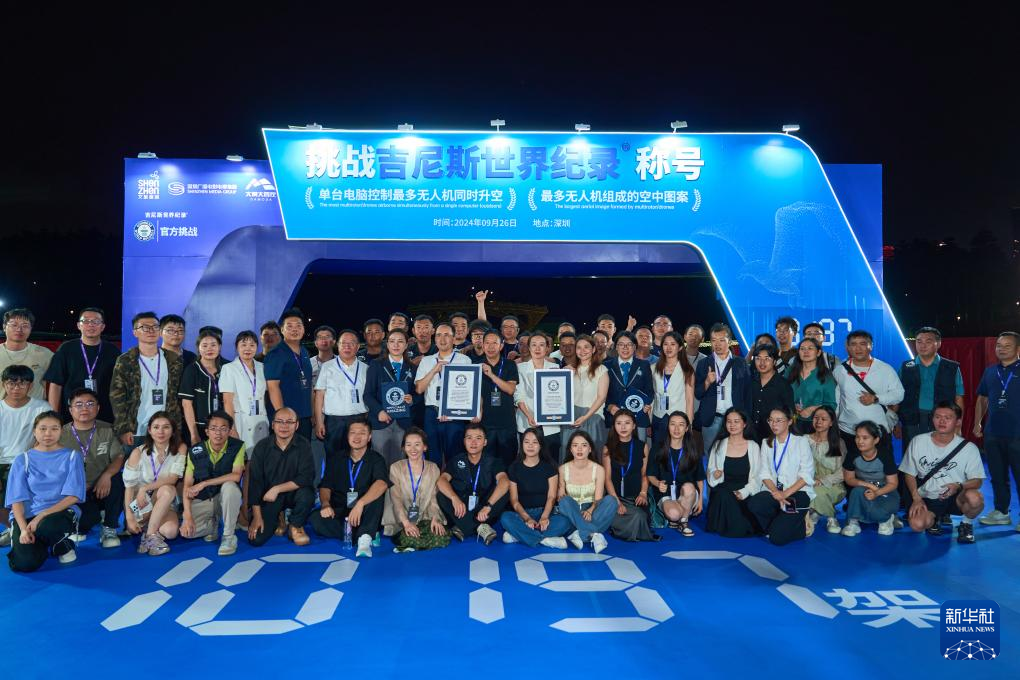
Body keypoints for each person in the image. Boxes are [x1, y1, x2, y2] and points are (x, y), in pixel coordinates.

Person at [5, 411, 85, 571]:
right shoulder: (22, 459)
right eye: (43, 428)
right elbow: (16, 500)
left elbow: (73, 496)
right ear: (34, 431)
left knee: (47, 527)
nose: (48, 433)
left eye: (54, 428)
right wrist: (23, 529)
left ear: (61, 431)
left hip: (59, 513)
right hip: (27, 517)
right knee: (25, 564)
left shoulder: (72, 456)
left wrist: (41, 516)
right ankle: (46, 545)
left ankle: (62, 546)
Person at [903, 402, 986, 543]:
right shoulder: (918, 441)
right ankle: (935, 518)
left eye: (948, 418)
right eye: (938, 417)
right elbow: (909, 473)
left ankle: (966, 524)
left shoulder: (969, 448)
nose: (942, 421)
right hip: (928, 496)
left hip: (956, 496)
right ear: (932, 419)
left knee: (975, 498)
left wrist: (958, 486)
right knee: (917, 524)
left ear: (958, 422)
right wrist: (916, 498)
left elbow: (977, 481)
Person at [311, 419, 390, 557]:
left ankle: (364, 539)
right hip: (341, 510)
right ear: (347, 436)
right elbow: (325, 486)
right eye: (353, 432)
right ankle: (364, 533)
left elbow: (382, 484)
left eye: (362, 433)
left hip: (364, 511)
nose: (357, 437)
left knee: (376, 499)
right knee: (316, 519)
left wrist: (360, 504)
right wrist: (325, 504)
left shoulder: (376, 459)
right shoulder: (336, 458)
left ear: (369, 437)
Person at [110, 312, 184, 457]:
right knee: (133, 468)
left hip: (166, 430)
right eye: (145, 327)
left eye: (155, 327)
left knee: (165, 469)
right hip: (136, 430)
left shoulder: (173, 360)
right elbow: (117, 395)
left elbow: (178, 395)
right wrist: (124, 428)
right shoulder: (126, 360)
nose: (151, 330)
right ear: (135, 332)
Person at [58, 388, 123, 548]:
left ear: (98, 408)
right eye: (79, 404)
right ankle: (90, 518)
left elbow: (118, 457)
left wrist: (106, 475)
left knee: (118, 479)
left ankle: (109, 527)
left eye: (90, 404)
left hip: (101, 487)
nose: (84, 408)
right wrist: (77, 485)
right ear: (70, 410)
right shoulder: (60, 433)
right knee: (86, 522)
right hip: (74, 491)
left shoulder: (108, 429)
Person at [219, 330, 270, 529]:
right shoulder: (229, 369)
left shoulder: (262, 367)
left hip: (261, 422)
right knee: (244, 469)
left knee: (257, 470)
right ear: (236, 348)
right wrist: (231, 427)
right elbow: (227, 401)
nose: (247, 348)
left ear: (257, 347)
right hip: (240, 422)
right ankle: (241, 512)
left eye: (251, 345)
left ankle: (251, 509)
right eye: (243, 344)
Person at [247, 407, 315, 547]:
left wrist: (277, 488)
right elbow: (255, 483)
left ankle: (295, 525)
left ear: (297, 425)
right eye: (279, 421)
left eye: (289, 422)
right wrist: (257, 516)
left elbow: (306, 477)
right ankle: (280, 517)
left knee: (307, 494)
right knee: (256, 539)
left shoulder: (304, 445)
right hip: (269, 498)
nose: (284, 426)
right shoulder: (262, 447)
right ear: (273, 425)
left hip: (293, 494)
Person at [0, 365, 52, 546]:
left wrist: (30, 459)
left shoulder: (42, 408)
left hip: (30, 461)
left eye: (22, 383)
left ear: (30, 386)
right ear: (4, 384)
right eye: (11, 383)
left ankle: (23, 527)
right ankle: (13, 527)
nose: (16, 388)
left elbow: (46, 439)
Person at [747, 408, 815, 545]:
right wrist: (776, 493)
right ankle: (780, 523)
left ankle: (802, 526)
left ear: (789, 421)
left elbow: (806, 474)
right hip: (775, 492)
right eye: (771, 420)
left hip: (796, 493)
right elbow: (764, 473)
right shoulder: (766, 442)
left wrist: (785, 494)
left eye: (778, 420)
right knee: (754, 504)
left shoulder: (801, 441)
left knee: (777, 539)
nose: (774, 424)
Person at [180, 411, 245, 556]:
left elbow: (236, 476)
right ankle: (212, 525)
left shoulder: (237, 446)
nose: (218, 433)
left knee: (230, 487)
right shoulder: (194, 451)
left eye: (223, 428)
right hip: (204, 500)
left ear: (229, 431)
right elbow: (187, 486)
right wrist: (187, 516)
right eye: (214, 428)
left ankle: (228, 536)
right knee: (187, 532)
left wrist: (204, 483)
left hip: (224, 499)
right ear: (207, 431)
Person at [122, 411, 187, 556]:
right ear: (149, 430)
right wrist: (129, 518)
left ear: (173, 430)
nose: (161, 432)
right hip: (140, 504)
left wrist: (145, 488)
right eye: (156, 427)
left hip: (164, 502)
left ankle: (149, 535)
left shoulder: (180, 448)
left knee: (170, 532)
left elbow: (173, 479)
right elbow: (129, 488)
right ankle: (151, 534)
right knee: (168, 490)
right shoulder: (138, 453)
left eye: (166, 427)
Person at [973, 330, 1020, 527]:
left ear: (1018, 349)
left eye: (1007, 346)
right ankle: (1001, 512)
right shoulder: (990, 371)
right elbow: (982, 399)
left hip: (1017, 434)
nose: (1001, 349)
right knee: (998, 477)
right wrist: (977, 423)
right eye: (999, 345)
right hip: (993, 433)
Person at [833, 330, 904, 458]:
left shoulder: (885, 369)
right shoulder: (840, 370)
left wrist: (876, 398)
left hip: (877, 432)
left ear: (871, 346)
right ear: (848, 347)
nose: (858, 348)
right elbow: (837, 400)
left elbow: (899, 394)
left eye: (863, 344)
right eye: (853, 344)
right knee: (849, 468)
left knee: (882, 467)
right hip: (848, 431)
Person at [45, 307, 120, 424]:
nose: (91, 325)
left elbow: (119, 386)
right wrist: (53, 415)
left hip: (105, 415)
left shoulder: (113, 351)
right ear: (78, 325)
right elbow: (56, 384)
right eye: (85, 321)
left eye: (96, 321)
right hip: (72, 415)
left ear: (103, 327)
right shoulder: (66, 349)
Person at [437, 423, 509, 544]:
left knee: (504, 492)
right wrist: (454, 498)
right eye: (469, 438)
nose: (473, 442)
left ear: (485, 442)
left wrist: (488, 506)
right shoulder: (457, 460)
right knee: (441, 495)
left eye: (478, 438)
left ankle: (463, 527)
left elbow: (504, 481)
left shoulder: (493, 461)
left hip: (483, 510)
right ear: (464, 441)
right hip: (461, 509)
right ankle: (480, 527)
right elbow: (442, 480)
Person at [897, 326, 965, 450]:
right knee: (912, 455)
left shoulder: (951, 367)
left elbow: (958, 398)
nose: (922, 345)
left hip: (942, 420)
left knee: (940, 455)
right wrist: (896, 422)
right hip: (911, 420)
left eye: (928, 341)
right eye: (919, 341)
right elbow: (897, 396)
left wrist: (958, 424)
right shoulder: (906, 367)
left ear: (938, 343)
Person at [501, 428, 570, 548]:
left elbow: (552, 497)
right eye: (526, 442)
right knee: (505, 518)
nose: (530, 445)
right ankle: (545, 539)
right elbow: (514, 500)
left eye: (535, 442)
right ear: (522, 444)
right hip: (523, 513)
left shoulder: (550, 467)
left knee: (565, 522)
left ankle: (519, 535)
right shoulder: (514, 468)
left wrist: (544, 517)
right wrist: (527, 519)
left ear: (541, 445)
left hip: (546, 512)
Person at [415, 322, 472, 465]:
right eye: (439, 335)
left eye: (447, 335)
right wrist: (434, 370)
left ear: (453, 338)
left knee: (455, 457)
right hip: (432, 413)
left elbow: (470, 391)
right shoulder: (426, 361)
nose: (442, 339)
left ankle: (454, 480)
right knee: (432, 456)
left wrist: (453, 410)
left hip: (455, 414)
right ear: (435, 338)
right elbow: (419, 389)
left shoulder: (464, 360)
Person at [386, 427, 450, 551]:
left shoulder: (433, 468)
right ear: (403, 448)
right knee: (409, 536)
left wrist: (435, 518)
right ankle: (407, 536)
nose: (413, 449)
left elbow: (434, 497)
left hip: (426, 516)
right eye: (408, 445)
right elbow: (395, 498)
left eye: (417, 444)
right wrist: (406, 523)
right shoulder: (396, 467)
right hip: (402, 518)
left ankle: (415, 540)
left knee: (441, 538)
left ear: (424, 447)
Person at [706, 408, 763, 538]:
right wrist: (714, 475)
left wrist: (744, 492)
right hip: (723, 491)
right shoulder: (718, 444)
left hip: (744, 491)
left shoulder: (753, 446)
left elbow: (758, 476)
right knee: (723, 494)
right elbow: (710, 471)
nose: (732, 425)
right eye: (729, 421)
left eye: (736, 421)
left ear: (744, 424)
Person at [557, 431, 618, 553]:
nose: (579, 449)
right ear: (570, 449)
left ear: (590, 449)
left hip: (593, 511)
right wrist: (573, 509)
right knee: (564, 501)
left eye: (584, 445)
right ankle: (593, 535)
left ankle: (579, 532)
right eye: (575, 445)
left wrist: (590, 510)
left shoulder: (599, 469)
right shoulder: (562, 469)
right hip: (572, 511)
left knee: (611, 500)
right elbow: (561, 497)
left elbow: (598, 499)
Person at [364, 329, 418, 466]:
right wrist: (379, 411)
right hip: (381, 422)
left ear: (406, 345)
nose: (396, 345)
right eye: (392, 341)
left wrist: (412, 400)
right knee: (379, 462)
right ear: (387, 344)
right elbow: (368, 395)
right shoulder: (376, 365)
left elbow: (418, 394)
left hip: (403, 423)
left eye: (400, 341)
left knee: (399, 464)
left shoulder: (412, 368)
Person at [601, 410, 655, 541]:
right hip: (614, 497)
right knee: (630, 515)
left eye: (627, 423)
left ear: (634, 425)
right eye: (619, 423)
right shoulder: (608, 448)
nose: (623, 427)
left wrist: (643, 493)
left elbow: (644, 474)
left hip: (636, 498)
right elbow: (607, 479)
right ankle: (618, 524)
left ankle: (620, 527)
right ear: (614, 426)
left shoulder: (642, 446)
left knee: (640, 516)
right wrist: (617, 503)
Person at [647, 411, 704, 536]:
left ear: (686, 428)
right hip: (665, 494)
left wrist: (700, 500)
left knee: (689, 487)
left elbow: (699, 478)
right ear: (668, 427)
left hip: (687, 495)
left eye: (681, 425)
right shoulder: (657, 447)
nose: (676, 429)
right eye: (673, 424)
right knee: (673, 514)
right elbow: (650, 475)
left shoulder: (693, 449)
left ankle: (684, 522)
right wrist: (657, 483)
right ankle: (677, 516)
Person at [695, 323, 752, 448]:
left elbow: (748, 393)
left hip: (735, 418)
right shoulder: (703, 363)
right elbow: (698, 393)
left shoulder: (740, 363)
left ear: (729, 341)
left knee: (734, 453)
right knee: (710, 453)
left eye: (721, 340)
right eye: (714, 340)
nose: (717, 344)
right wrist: (707, 382)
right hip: (712, 418)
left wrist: (746, 418)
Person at [840, 420, 900, 537]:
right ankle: (853, 522)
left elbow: (893, 483)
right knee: (857, 492)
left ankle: (886, 519)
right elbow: (849, 479)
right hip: (864, 489)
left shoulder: (885, 455)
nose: (860, 441)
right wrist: (869, 485)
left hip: (885, 490)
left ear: (876, 440)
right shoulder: (853, 454)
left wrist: (877, 493)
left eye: (865, 438)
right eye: (857, 437)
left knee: (878, 508)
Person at [314, 329, 369, 456]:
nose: (347, 346)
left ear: (358, 346)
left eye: (351, 343)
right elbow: (319, 396)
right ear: (337, 345)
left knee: (358, 457)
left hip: (359, 419)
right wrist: (319, 422)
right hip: (334, 422)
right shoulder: (327, 367)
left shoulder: (365, 369)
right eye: (343, 343)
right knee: (333, 458)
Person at [264, 308, 314, 440]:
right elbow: (272, 387)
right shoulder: (275, 354)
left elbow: (308, 384)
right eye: (289, 326)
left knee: (303, 451)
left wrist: (312, 412)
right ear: (282, 330)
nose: (294, 329)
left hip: (304, 417)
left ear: (303, 329)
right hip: (285, 421)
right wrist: (282, 418)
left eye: (298, 326)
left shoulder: (304, 352)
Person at [515, 332, 564, 462]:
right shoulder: (520, 368)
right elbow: (518, 396)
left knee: (551, 462)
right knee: (528, 462)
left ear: (547, 348)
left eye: (541, 345)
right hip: (527, 422)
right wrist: (529, 416)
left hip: (551, 424)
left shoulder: (555, 368)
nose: (537, 348)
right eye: (534, 345)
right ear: (529, 347)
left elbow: (560, 397)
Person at [475, 329, 519, 466]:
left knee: (508, 464)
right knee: (487, 465)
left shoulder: (510, 365)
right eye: (487, 343)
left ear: (501, 346)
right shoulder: (476, 366)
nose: (490, 346)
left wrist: (491, 375)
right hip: (485, 425)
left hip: (506, 424)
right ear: (483, 345)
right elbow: (474, 395)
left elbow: (510, 389)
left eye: (494, 343)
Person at [564, 334, 609, 462]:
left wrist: (585, 417)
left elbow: (601, 397)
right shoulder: (569, 370)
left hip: (593, 417)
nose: (582, 351)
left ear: (593, 349)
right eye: (579, 347)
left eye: (586, 347)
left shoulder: (601, 370)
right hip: (572, 419)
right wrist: (563, 374)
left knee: (592, 455)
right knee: (570, 456)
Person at [603, 331, 653, 441]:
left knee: (639, 449)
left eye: (629, 344)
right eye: (621, 344)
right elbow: (602, 394)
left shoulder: (644, 365)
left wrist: (646, 404)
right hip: (614, 417)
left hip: (638, 418)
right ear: (616, 347)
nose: (625, 347)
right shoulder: (606, 366)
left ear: (634, 347)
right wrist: (609, 407)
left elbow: (649, 391)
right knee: (614, 449)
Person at [179, 328, 225, 445]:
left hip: (222, 428)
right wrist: (194, 434)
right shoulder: (192, 370)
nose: (209, 349)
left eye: (213, 345)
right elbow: (186, 404)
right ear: (198, 348)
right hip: (200, 428)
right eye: (204, 345)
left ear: (219, 347)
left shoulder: (226, 369)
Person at [805, 406, 847, 534]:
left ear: (831, 422)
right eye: (816, 418)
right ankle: (816, 512)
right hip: (807, 481)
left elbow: (843, 472)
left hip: (834, 484)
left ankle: (831, 517)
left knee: (816, 492)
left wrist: (822, 480)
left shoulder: (838, 443)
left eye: (823, 419)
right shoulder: (804, 439)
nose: (819, 422)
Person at [651, 331, 695, 449]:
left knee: (676, 450)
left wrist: (689, 423)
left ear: (680, 347)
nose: (668, 347)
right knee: (657, 450)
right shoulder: (653, 368)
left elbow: (689, 399)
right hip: (658, 416)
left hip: (678, 419)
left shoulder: (687, 370)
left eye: (673, 344)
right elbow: (652, 395)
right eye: (665, 344)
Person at [0, 308, 53, 402]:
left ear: (31, 329)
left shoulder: (44, 354)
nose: (19, 329)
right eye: (14, 325)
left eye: (25, 326)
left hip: (35, 409)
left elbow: (59, 381)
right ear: (4, 327)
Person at [788, 337, 837, 435]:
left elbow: (831, 404)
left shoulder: (825, 376)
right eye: (802, 349)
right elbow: (781, 394)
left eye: (810, 348)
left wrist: (813, 409)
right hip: (791, 422)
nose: (805, 351)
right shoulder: (790, 371)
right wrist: (792, 405)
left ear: (818, 352)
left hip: (816, 425)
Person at [749, 343, 796, 440]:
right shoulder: (750, 381)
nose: (762, 363)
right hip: (751, 435)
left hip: (774, 436)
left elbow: (790, 412)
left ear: (774, 361)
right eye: (758, 358)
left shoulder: (783, 385)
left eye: (767, 359)